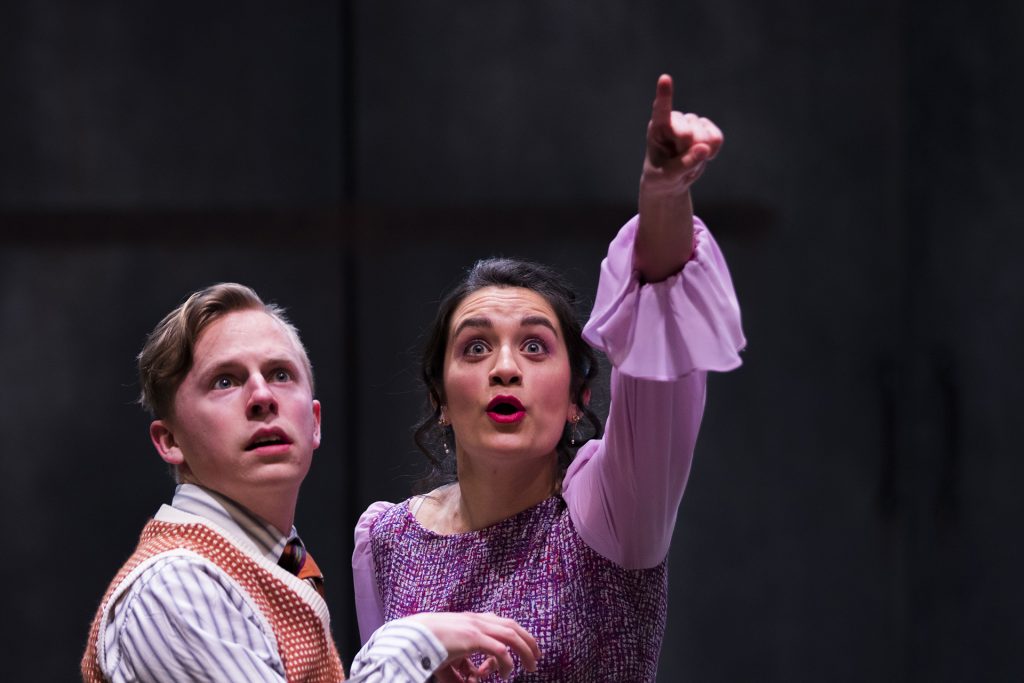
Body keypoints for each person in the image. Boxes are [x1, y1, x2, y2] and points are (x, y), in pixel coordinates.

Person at [352, 74, 746, 681]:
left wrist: (663, 193)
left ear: (576, 398)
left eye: (535, 347)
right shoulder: (386, 540)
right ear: (440, 399)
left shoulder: (612, 510)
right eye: (475, 347)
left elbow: (658, 322)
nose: (505, 368)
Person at [82, 283, 539, 683]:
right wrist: (408, 644)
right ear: (170, 440)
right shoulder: (177, 587)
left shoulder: (272, 559)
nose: (262, 397)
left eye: (280, 375)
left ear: (315, 422)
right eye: (225, 380)